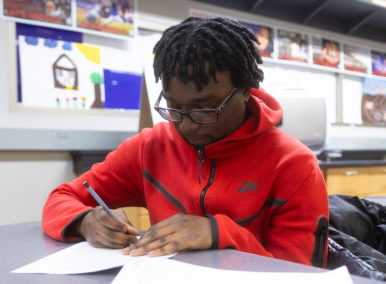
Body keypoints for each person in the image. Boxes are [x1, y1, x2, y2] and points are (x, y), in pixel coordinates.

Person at [42, 17, 329, 266]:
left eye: (206, 109)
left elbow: (300, 272)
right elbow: (61, 198)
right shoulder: (149, 148)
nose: (188, 125)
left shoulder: (293, 164)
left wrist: (219, 234)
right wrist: (85, 221)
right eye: (173, 108)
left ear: (244, 90)